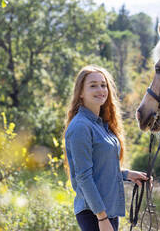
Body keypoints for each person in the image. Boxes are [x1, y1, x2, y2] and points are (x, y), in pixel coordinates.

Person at [64, 65, 150, 231]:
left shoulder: (101, 125)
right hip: (94, 213)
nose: (100, 90)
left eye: (103, 85)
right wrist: (101, 218)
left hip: (107, 211)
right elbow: (84, 177)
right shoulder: (81, 126)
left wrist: (127, 174)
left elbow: (101, 167)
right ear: (81, 93)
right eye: (93, 85)